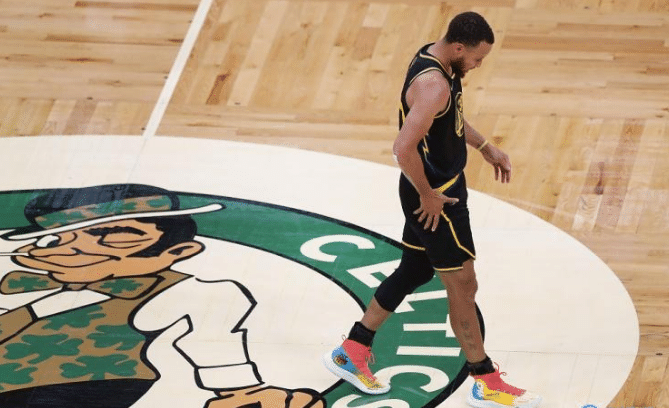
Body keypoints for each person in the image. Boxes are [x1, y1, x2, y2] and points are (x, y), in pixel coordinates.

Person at [322, 12, 542, 408]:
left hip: (435, 190)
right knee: (463, 284)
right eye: (477, 58)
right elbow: (402, 147)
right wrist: (427, 195)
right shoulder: (433, 85)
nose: (478, 65)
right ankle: (484, 380)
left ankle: (352, 350)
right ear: (458, 47)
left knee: (415, 269)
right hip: (437, 199)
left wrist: (485, 147)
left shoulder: (438, 60)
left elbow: (449, 120)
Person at [0, 184, 323, 408]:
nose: (76, 249)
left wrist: (241, 391)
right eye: (55, 239)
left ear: (180, 251)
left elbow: (213, 336)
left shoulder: (189, 292)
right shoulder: (27, 289)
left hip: (74, 389)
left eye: (114, 236)